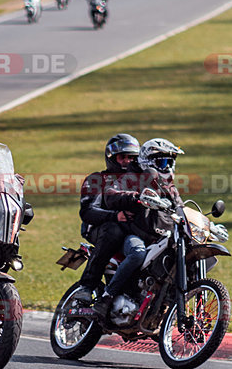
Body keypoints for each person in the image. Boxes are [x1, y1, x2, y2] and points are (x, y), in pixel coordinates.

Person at [92, 137, 185, 322]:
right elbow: (111, 195)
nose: (167, 167)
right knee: (137, 253)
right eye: (163, 162)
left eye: (170, 162)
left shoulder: (170, 189)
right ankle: (106, 297)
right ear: (148, 162)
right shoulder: (132, 178)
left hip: (159, 239)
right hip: (133, 234)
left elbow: (181, 210)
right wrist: (136, 196)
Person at [72, 134, 141, 303]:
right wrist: (115, 216)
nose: (127, 161)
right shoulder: (97, 179)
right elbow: (87, 211)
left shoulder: (140, 181)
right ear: (111, 158)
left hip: (131, 231)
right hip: (99, 229)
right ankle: (86, 286)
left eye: (131, 157)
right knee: (113, 230)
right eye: (122, 157)